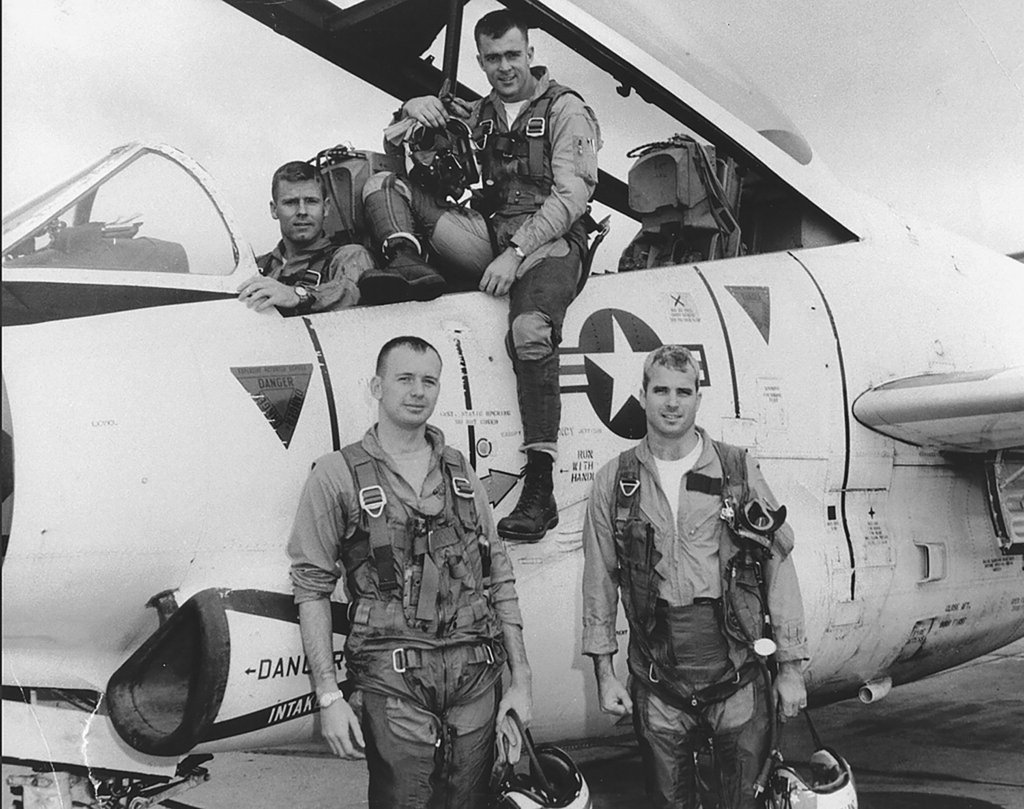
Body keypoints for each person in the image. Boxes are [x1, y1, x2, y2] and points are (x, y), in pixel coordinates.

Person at [359, 9, 602, 543]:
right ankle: (408, 265)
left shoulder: (567, 112)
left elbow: (574, 195)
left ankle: (540, 487)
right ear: (480, 60)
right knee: (381, 184)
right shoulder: (480, 113)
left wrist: (515, 252)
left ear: (530, 53)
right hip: (489, 236)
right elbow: (404, 142)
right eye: (492, 59)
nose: (504, 67)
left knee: (529, 331)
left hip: (549, 243)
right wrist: (412, 108)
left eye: (512, 55)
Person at [287, 335, 533, 809]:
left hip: (475, 679)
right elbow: (311, 589)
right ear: (377, 387)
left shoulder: (461, 472)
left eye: (429, 381)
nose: (418, 391)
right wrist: (327, 697)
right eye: (405, 379)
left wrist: (520, 681)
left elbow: (498, 574)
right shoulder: (337, 476)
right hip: (393, 682)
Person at [581, 345, 808, 809]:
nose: (671, 402)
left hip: (735, 670)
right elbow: (600, 580)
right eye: (660, 390)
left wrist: (790, 668)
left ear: (698, 399)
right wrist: (604, 673)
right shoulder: (614, 481)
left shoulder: (737, 470)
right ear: (642, 396)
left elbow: (778, 567)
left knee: (747, 800)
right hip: (658, 675)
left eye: (683, 392)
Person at [237, 160, 375, 314]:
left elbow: (349, 291)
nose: (302, 211)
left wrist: (297, 295)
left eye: (311, 201)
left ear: (326, 208)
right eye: (291, 202)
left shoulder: (348, 256)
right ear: (274, 210)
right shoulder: (255, 268)